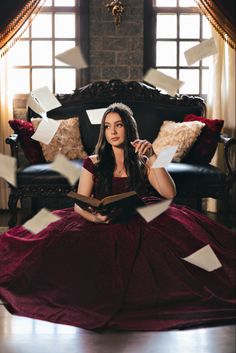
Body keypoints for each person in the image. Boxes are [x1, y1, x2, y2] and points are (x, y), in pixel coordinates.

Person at [0, 102, 235, 331]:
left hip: (140, 216)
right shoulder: (93, 162)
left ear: (129, 128)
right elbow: (79, 204)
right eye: (108, 126)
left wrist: (153, 156)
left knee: (177, 249)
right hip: (101, 219)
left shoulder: (143, 160)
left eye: (119, 125)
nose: (112, 131)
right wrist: (94, 219)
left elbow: (168, 193)